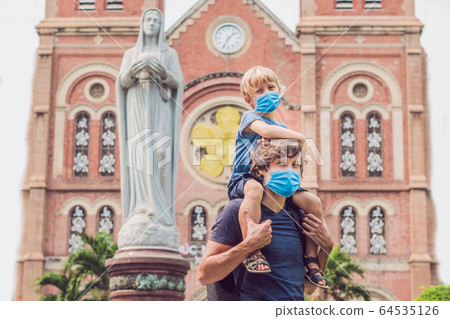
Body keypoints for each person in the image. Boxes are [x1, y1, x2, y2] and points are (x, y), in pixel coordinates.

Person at [227, 66, 327, 288]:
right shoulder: (250, 118)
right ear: (248, 99)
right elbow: (267, 132)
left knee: (312, 202)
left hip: (272, 181)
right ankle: (252, 250)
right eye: (259, 91)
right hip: (245, 179)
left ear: (279, 90)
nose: (267, 93)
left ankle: (311, 260)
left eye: (271, 88)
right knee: (254, 190)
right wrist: (299, 136)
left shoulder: (281, 127)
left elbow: (286, 156)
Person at [198, 139, 334, 300]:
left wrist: (325, 250)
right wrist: (248, 247)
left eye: (295, 165)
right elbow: (204, 275)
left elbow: (308, 289)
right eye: (281, 164)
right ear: (263, 168)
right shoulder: (238, 211)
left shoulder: (300, 218)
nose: (290, 171)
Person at [116, 9, 184, 249]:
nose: (152, 23)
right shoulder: (131, 53)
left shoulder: (169, 53)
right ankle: (140, 208)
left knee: (159, 157)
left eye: (157, 20)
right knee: (139, 157)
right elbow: (122, 82)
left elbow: (178, 82)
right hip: (137, 107)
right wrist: (133, 71)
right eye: (149, 19)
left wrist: (164, 73)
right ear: (142, 24)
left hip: (160, 110)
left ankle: (160, 211)